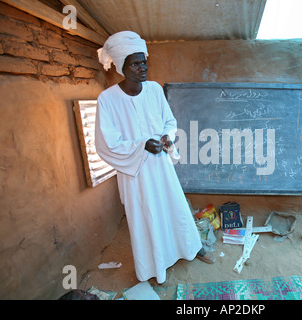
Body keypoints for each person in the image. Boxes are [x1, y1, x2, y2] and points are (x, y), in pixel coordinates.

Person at [95, 31, 214, 284]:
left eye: (144, 62)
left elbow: (169, 121)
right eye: (135, 64)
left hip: (160, 166)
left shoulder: (155, 90)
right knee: (146, 215)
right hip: (134, 173)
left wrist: (166, 137)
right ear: (121, 68)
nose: (142, 68)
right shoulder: (107, 100)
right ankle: (156, 267)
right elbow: (107, 143)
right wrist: (141, 146)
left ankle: (191, 248)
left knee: (175, 207)